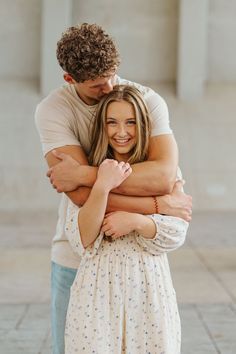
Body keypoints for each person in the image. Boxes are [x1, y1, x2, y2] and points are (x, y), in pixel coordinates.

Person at [35, 23, 192, 354]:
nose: (109, 87)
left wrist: (89, 177)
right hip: (78, 257)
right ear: (70, 80)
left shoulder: (144, 101)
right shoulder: (54, 110)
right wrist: (159, 206)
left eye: (112, 75)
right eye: (96, 85)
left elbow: (164, 178)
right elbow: (78, 196)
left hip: (142, 270)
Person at [64, 85, 189, 353]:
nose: (121, 132)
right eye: (112, 122)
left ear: (143, 124)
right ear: (102, 126)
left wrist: (136, 221)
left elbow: (177, 231)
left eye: (130, 122)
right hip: (96, 294)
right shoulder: (90, 171)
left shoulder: (162, 173)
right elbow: (82, 239)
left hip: (149, 291)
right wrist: (102, 184)